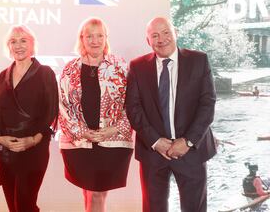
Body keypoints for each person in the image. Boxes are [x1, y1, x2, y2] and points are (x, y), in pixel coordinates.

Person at [126, 16, 217, 212]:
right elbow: (133, 109)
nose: (161, 39)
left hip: (191, 151)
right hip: (153, 153)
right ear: (148, 41)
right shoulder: (137, 67)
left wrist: (187, 141)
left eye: (166, 32)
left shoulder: (199, 60)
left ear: (175, 32)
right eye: (155, 35)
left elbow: (207, 104)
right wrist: (156, 141)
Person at [59, 17, 134, 212]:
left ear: (106, 38)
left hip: (111, 141)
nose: (95, 40)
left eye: (99, 35)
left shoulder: (120, 67)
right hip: (80, 142)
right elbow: (62, 106)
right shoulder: (70, 69)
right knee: (89, 192)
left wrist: (114, 129)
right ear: (81, 39)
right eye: (89, 36)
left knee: (97, 193)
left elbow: (133, 103)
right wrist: (82, 131)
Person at [0, 25, 58, 212]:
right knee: (13, 207)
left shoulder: (45, 73)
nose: (18, 45)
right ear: (8, 47)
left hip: (33, 150)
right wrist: (0, 138)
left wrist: (32, 140)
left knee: (25, 205)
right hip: (6, 151)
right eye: (13, 41)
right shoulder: (3, 75)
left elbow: (51, 113)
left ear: (33, 45)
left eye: (23, 40)